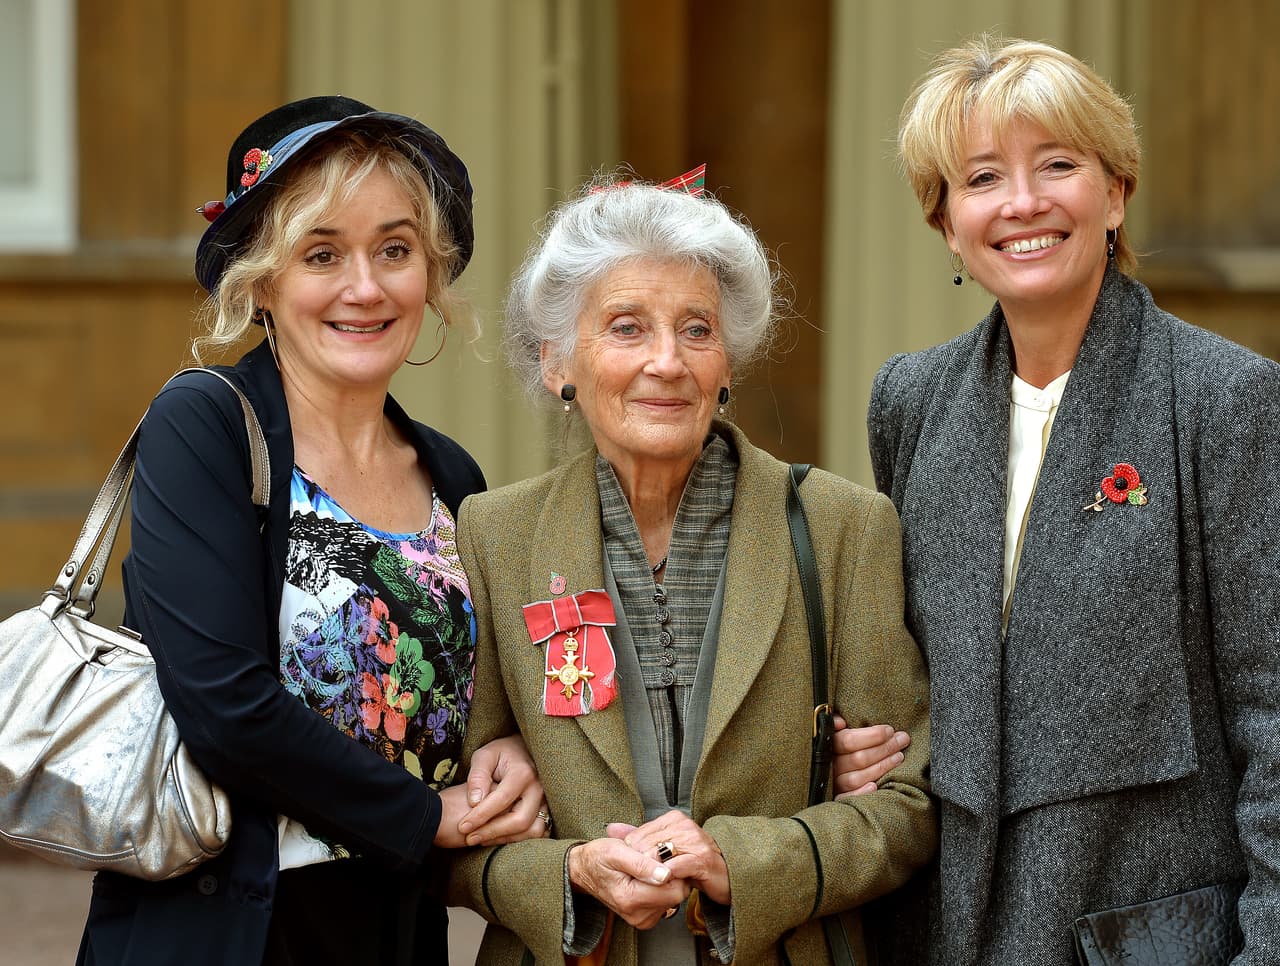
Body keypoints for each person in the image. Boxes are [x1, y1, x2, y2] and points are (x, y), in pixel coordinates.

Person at [76, 96, 550, 966]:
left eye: (395, 251)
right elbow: (225, 705)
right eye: (321, 253)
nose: (365, 287)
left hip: (396, 929)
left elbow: (480, 701)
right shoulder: (207, 427)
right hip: (229, 934)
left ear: (430, 277)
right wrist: (423, 816)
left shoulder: (455, 478)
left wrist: (514, 747)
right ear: (261, 281)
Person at [447, 173, 935, 965]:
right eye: (627, 327)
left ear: (728, 362)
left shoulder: (845, 528)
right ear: (557, 363)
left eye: (697, 329)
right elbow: (459, 828)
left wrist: (742, 863)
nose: (667, 362)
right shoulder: (493, 537)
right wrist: (569, 872)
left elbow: (911, 808)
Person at [864, 36, 1280, 965]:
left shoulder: (1226, 399)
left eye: (1058, 164)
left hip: (1140, 928)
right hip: (942, 925)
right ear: (946, 223)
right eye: (981, 178)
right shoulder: (910, 401)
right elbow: (905, 671)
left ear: (1116, 192)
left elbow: (1273, 712)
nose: (1023, 202)